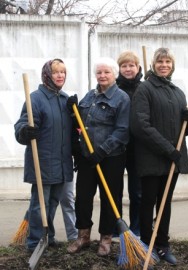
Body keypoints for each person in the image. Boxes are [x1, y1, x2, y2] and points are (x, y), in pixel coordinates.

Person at [130, 47, 188, 265]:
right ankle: (146, 245)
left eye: (167, 62)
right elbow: (140, 125)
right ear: (153, 64)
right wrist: (167, 149)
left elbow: (183, 130)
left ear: (172, 65)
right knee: (147, 201)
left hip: (172, 159)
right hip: (151, 157)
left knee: (165, 202)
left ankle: (163, 245)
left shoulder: (177, 92)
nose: (164, 65)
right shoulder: (145, 89)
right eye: (160, 62)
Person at [66, 57, 130, 256]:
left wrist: (102, 151)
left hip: (111, 157)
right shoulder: (89, 97)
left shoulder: (121, 98)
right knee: (83, 197)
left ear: (114, 74)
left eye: (107, 72)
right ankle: (83, 236)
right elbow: (80, 123)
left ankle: (106, 238)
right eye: (99, 72)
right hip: (87, 158)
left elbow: (122, 130)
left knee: (110, 198)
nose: (102, 76)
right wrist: (72, 110)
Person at [14, 59, 77, 251]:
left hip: (62, 161)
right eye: (56, 72)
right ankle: (34, 243)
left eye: (63, 72)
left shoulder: (65, 99)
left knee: (52, 203)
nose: (60, 76)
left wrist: (76, 113)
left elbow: (73, 132)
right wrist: (25, 131)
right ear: (47, 75)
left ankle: (48, 237)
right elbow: (21, 124)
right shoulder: (36, 98)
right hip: (42, 161)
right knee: (38, 205)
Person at [116, 51, 143, 236]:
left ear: (138, 67)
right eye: (124, 66)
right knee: (115, 191)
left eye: (131, 65)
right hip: (116, 147)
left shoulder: (145, 88)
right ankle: (116, 228)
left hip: (139, 148)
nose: (128, 69)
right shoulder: (111, 88)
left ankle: (137, 229)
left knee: (138, 192)